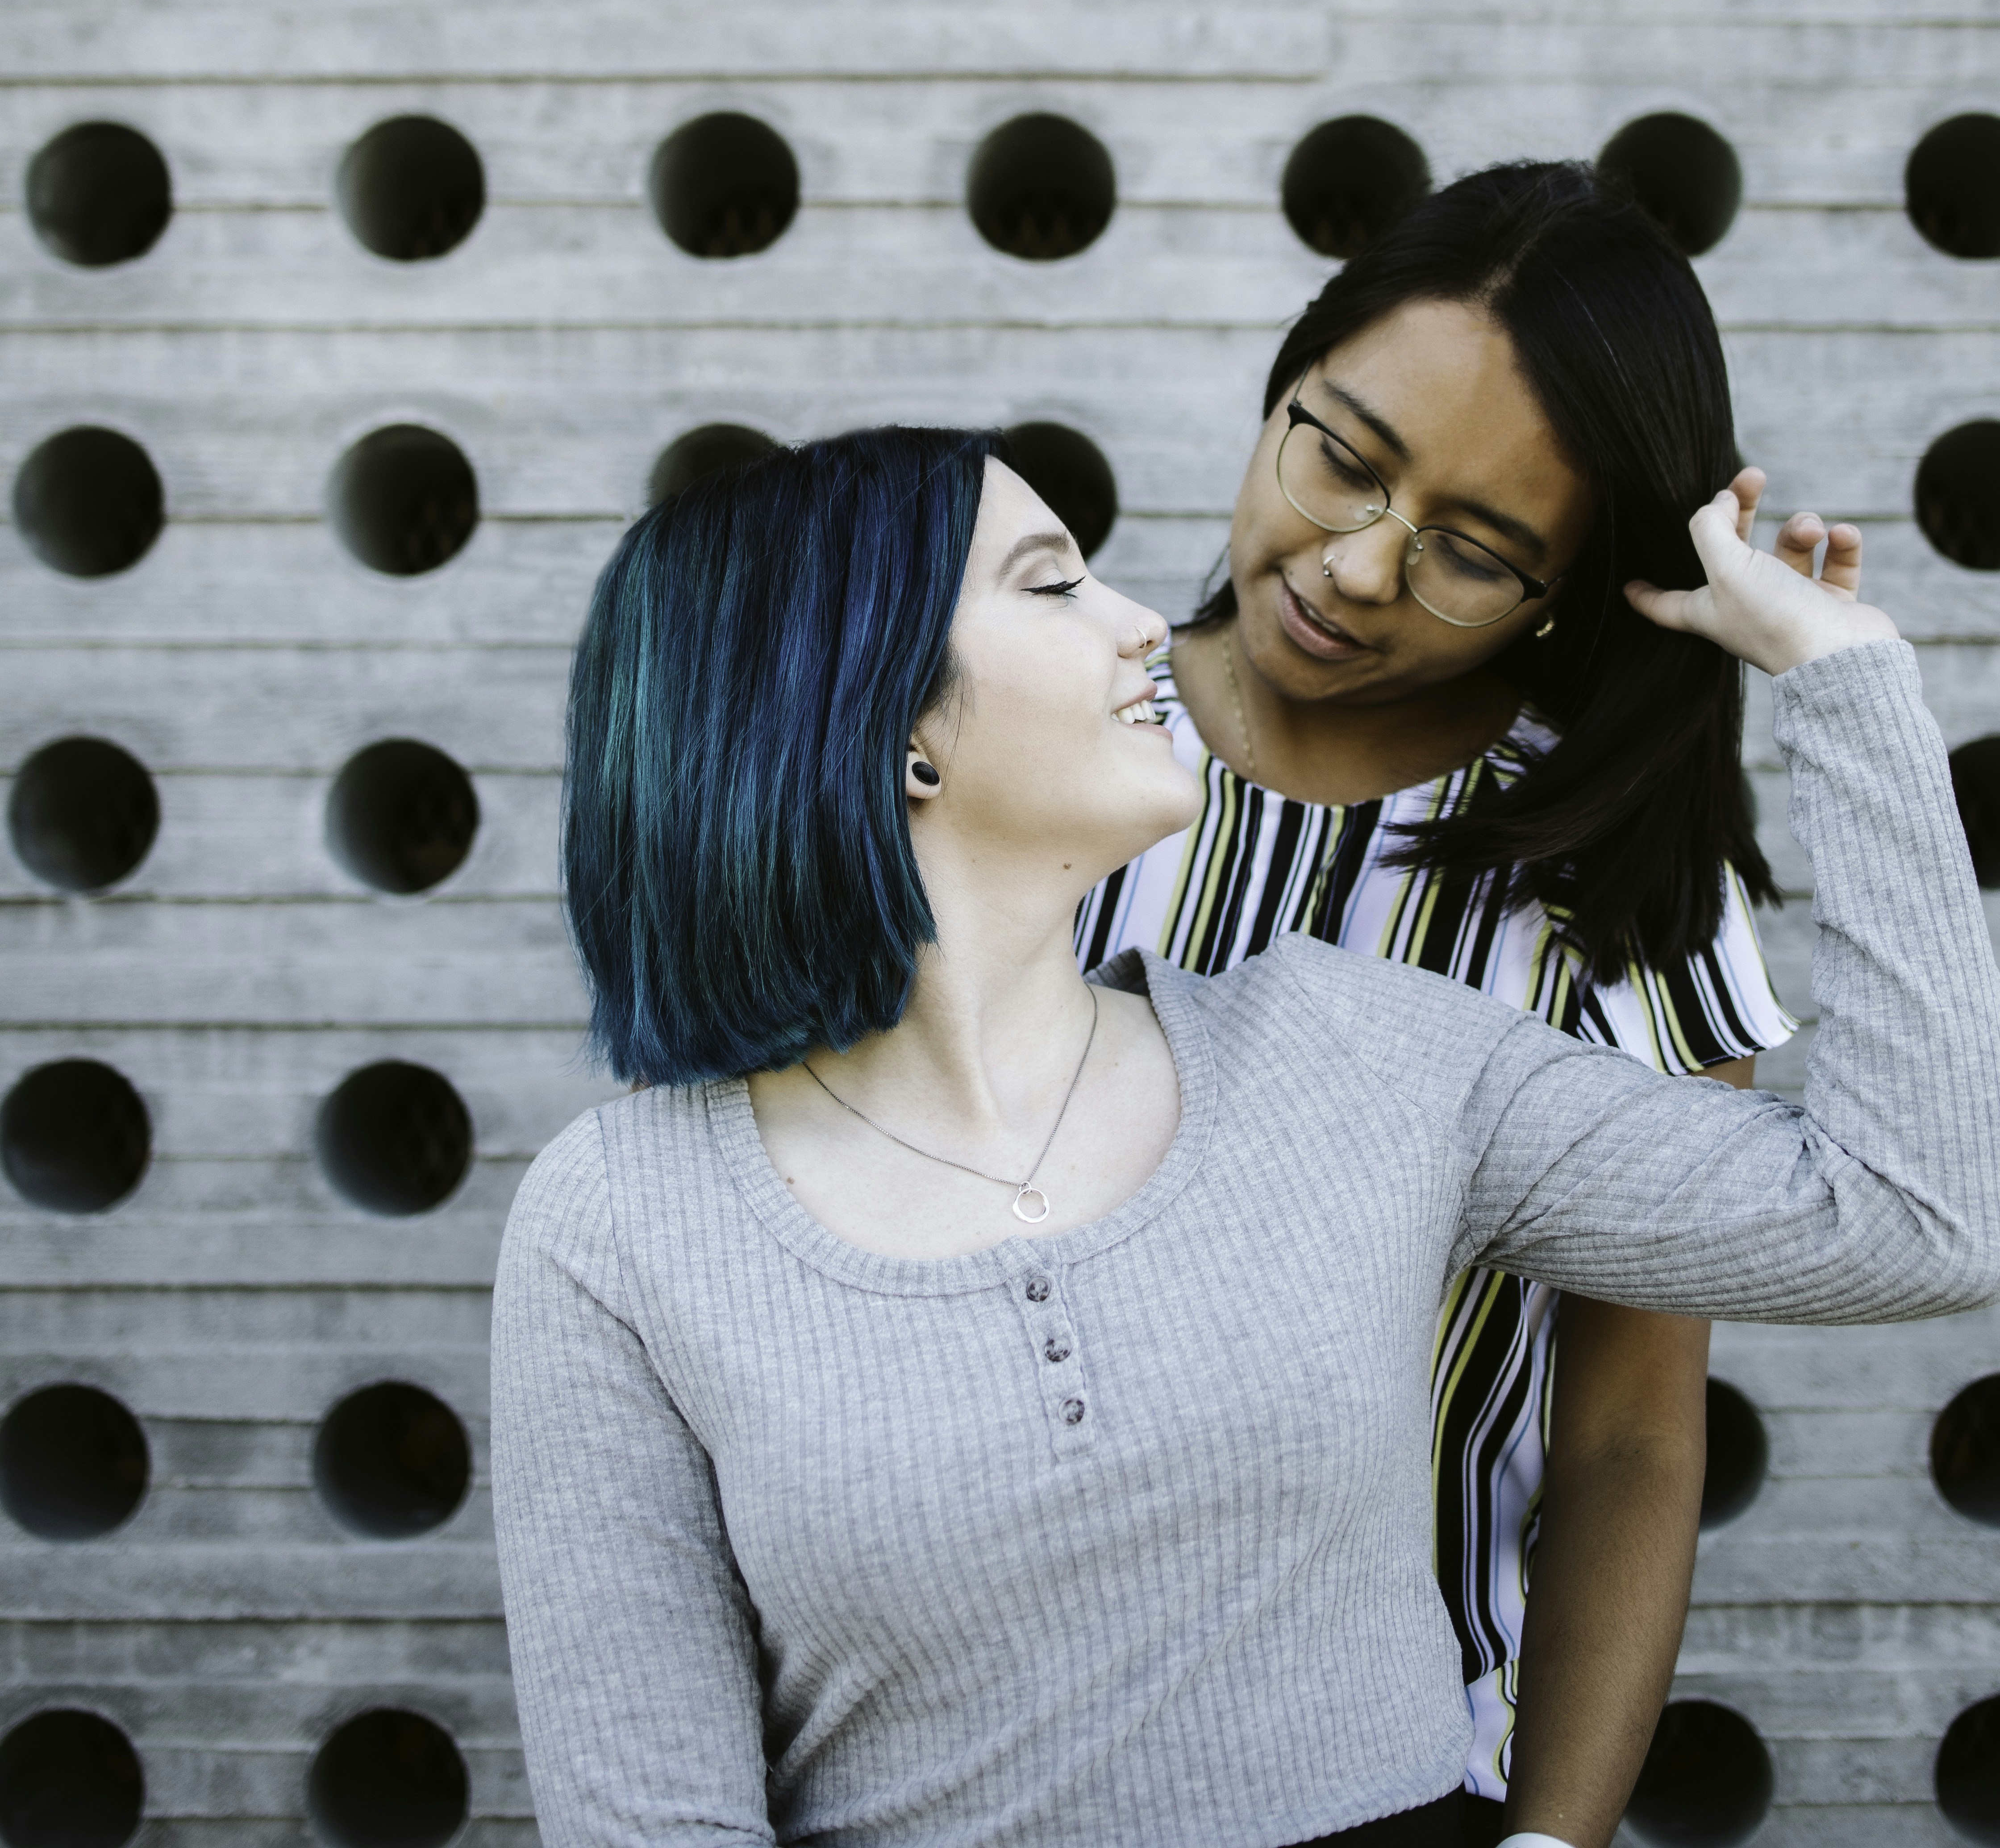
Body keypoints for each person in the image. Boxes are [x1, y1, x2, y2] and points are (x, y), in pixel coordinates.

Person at [492, 425, 2000, 1848]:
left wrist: (1845, 674)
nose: (1147, 622)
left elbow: (1913, 1222)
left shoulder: (1362, 1053)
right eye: (1054, 583)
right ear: (887, 728)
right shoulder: (619, 1226)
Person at [1073, 161, 1793, 1842]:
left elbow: (1627, 1440)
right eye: (1342, 456)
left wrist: (1546, 1839)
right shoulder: (1013, 750)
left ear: (1570, 587)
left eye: (1476, 552)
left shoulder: (1622, 901)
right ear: (1286, 379)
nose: (1359, 573)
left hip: (1396, 1782)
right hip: (969, 1769)